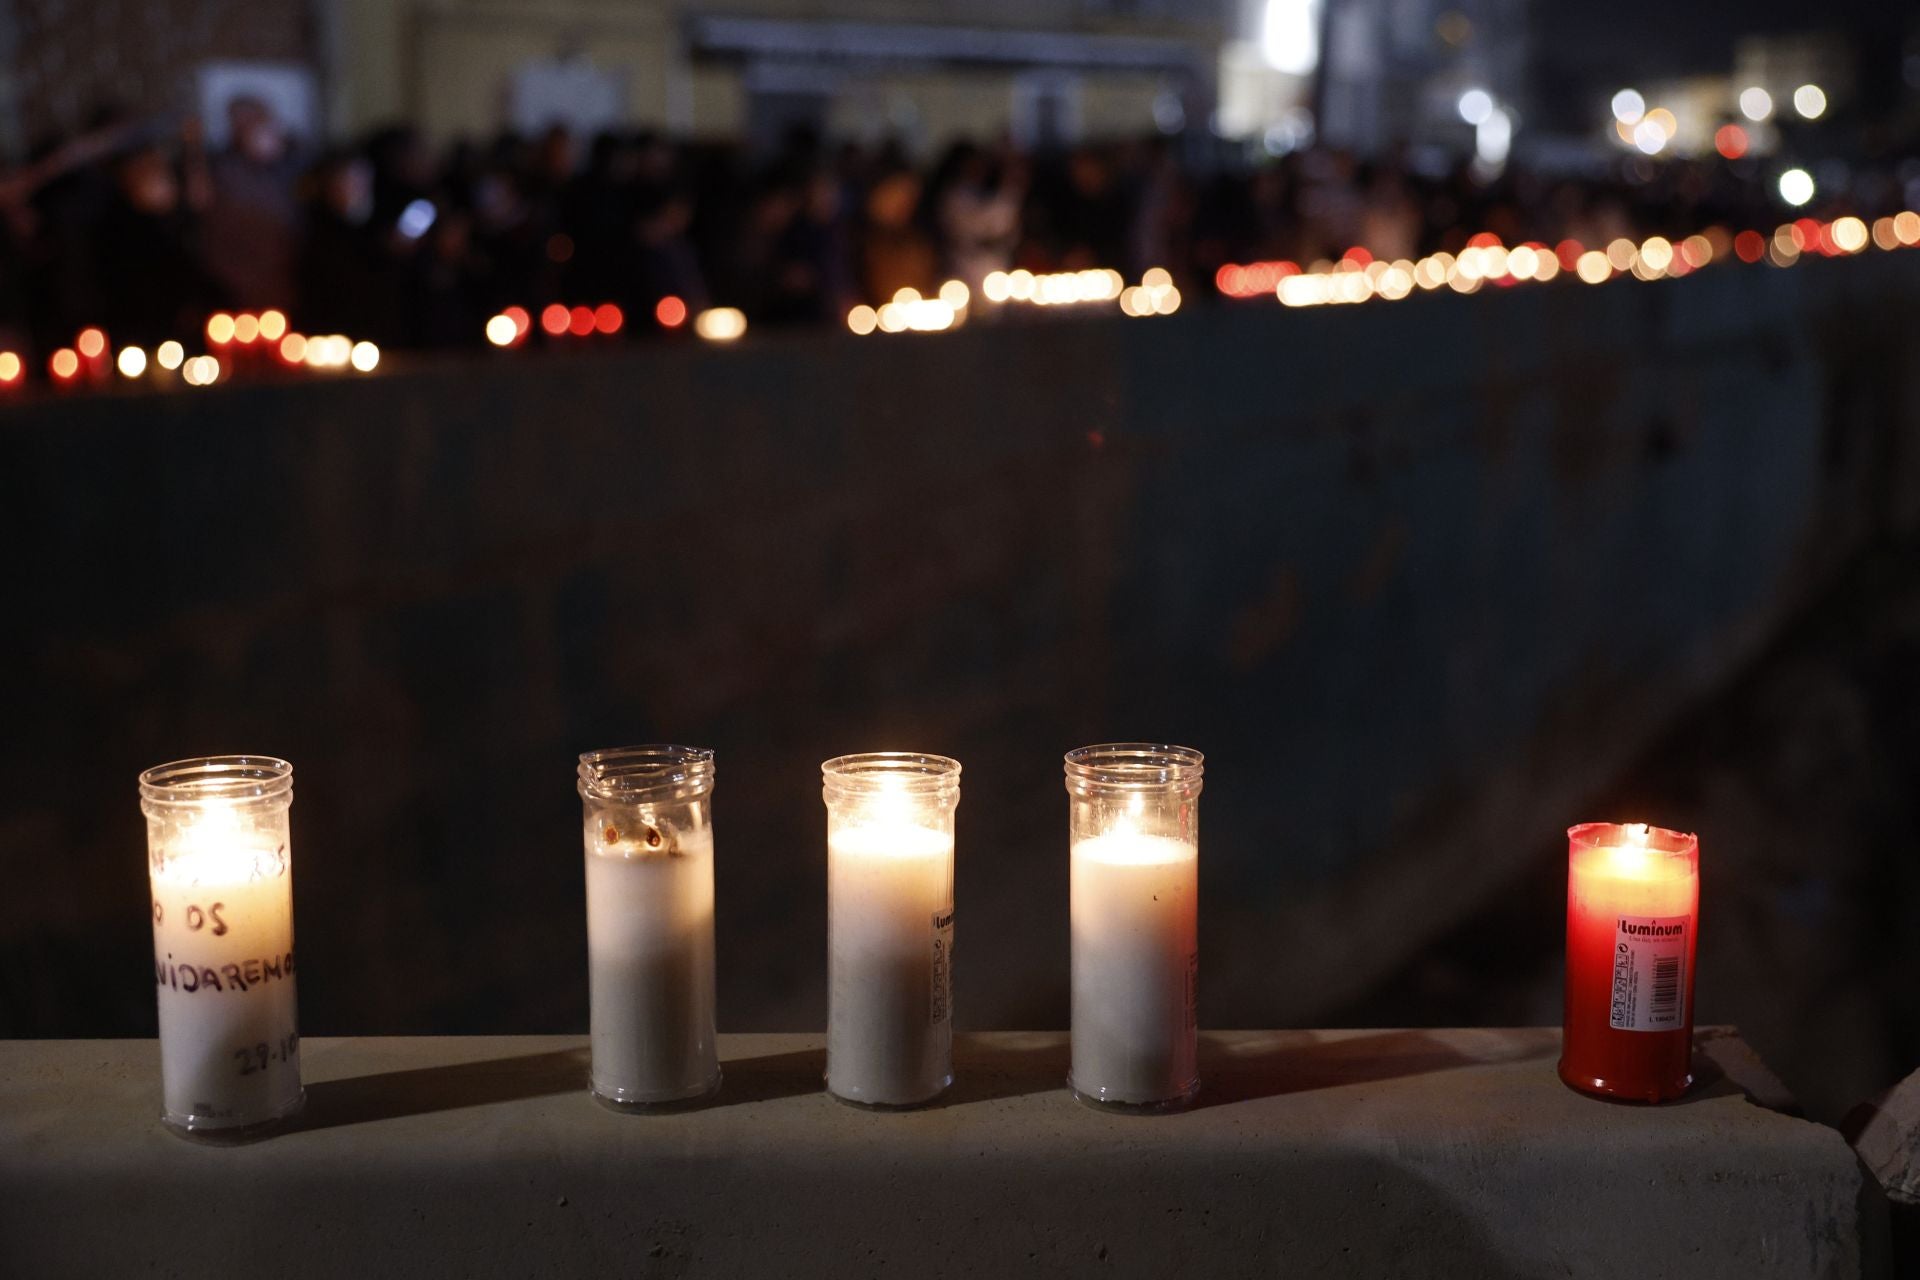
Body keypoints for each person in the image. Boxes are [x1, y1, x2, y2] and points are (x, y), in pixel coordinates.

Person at [200, 96, 302, 310]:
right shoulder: (221, 169)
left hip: (286, 276)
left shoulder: (296, 163)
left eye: (252, 120)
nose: (245, 128)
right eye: (238, 122)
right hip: (233, 278)